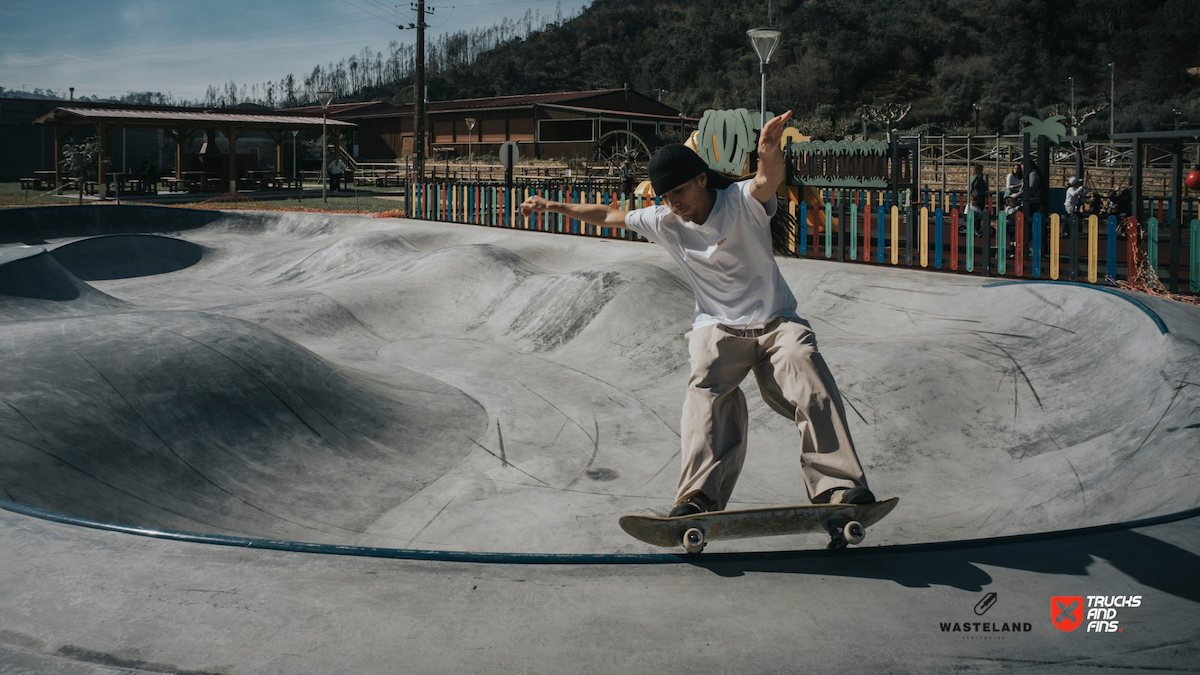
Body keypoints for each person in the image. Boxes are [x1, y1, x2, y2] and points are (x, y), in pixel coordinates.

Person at [520, 110, 875, 516]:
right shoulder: (665, 220)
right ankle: (698, 498)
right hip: (718, 328)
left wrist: (769, 151)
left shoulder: (741, 202)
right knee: (703, 393)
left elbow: (767, 179)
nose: (675, 204)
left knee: (804, 364)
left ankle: (839, 486)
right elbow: (606, 215)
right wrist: (553, 205)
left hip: (776, 323)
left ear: (702, 179)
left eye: (681, 193)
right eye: (666, 197)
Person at [967, 163, 988, 233]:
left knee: (973, 212)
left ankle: (972, 227)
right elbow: (985, 187)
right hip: (979, 196)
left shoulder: (971, 177)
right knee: (978, 212)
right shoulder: (979, 178)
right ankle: (977, 228)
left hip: (972, 195)